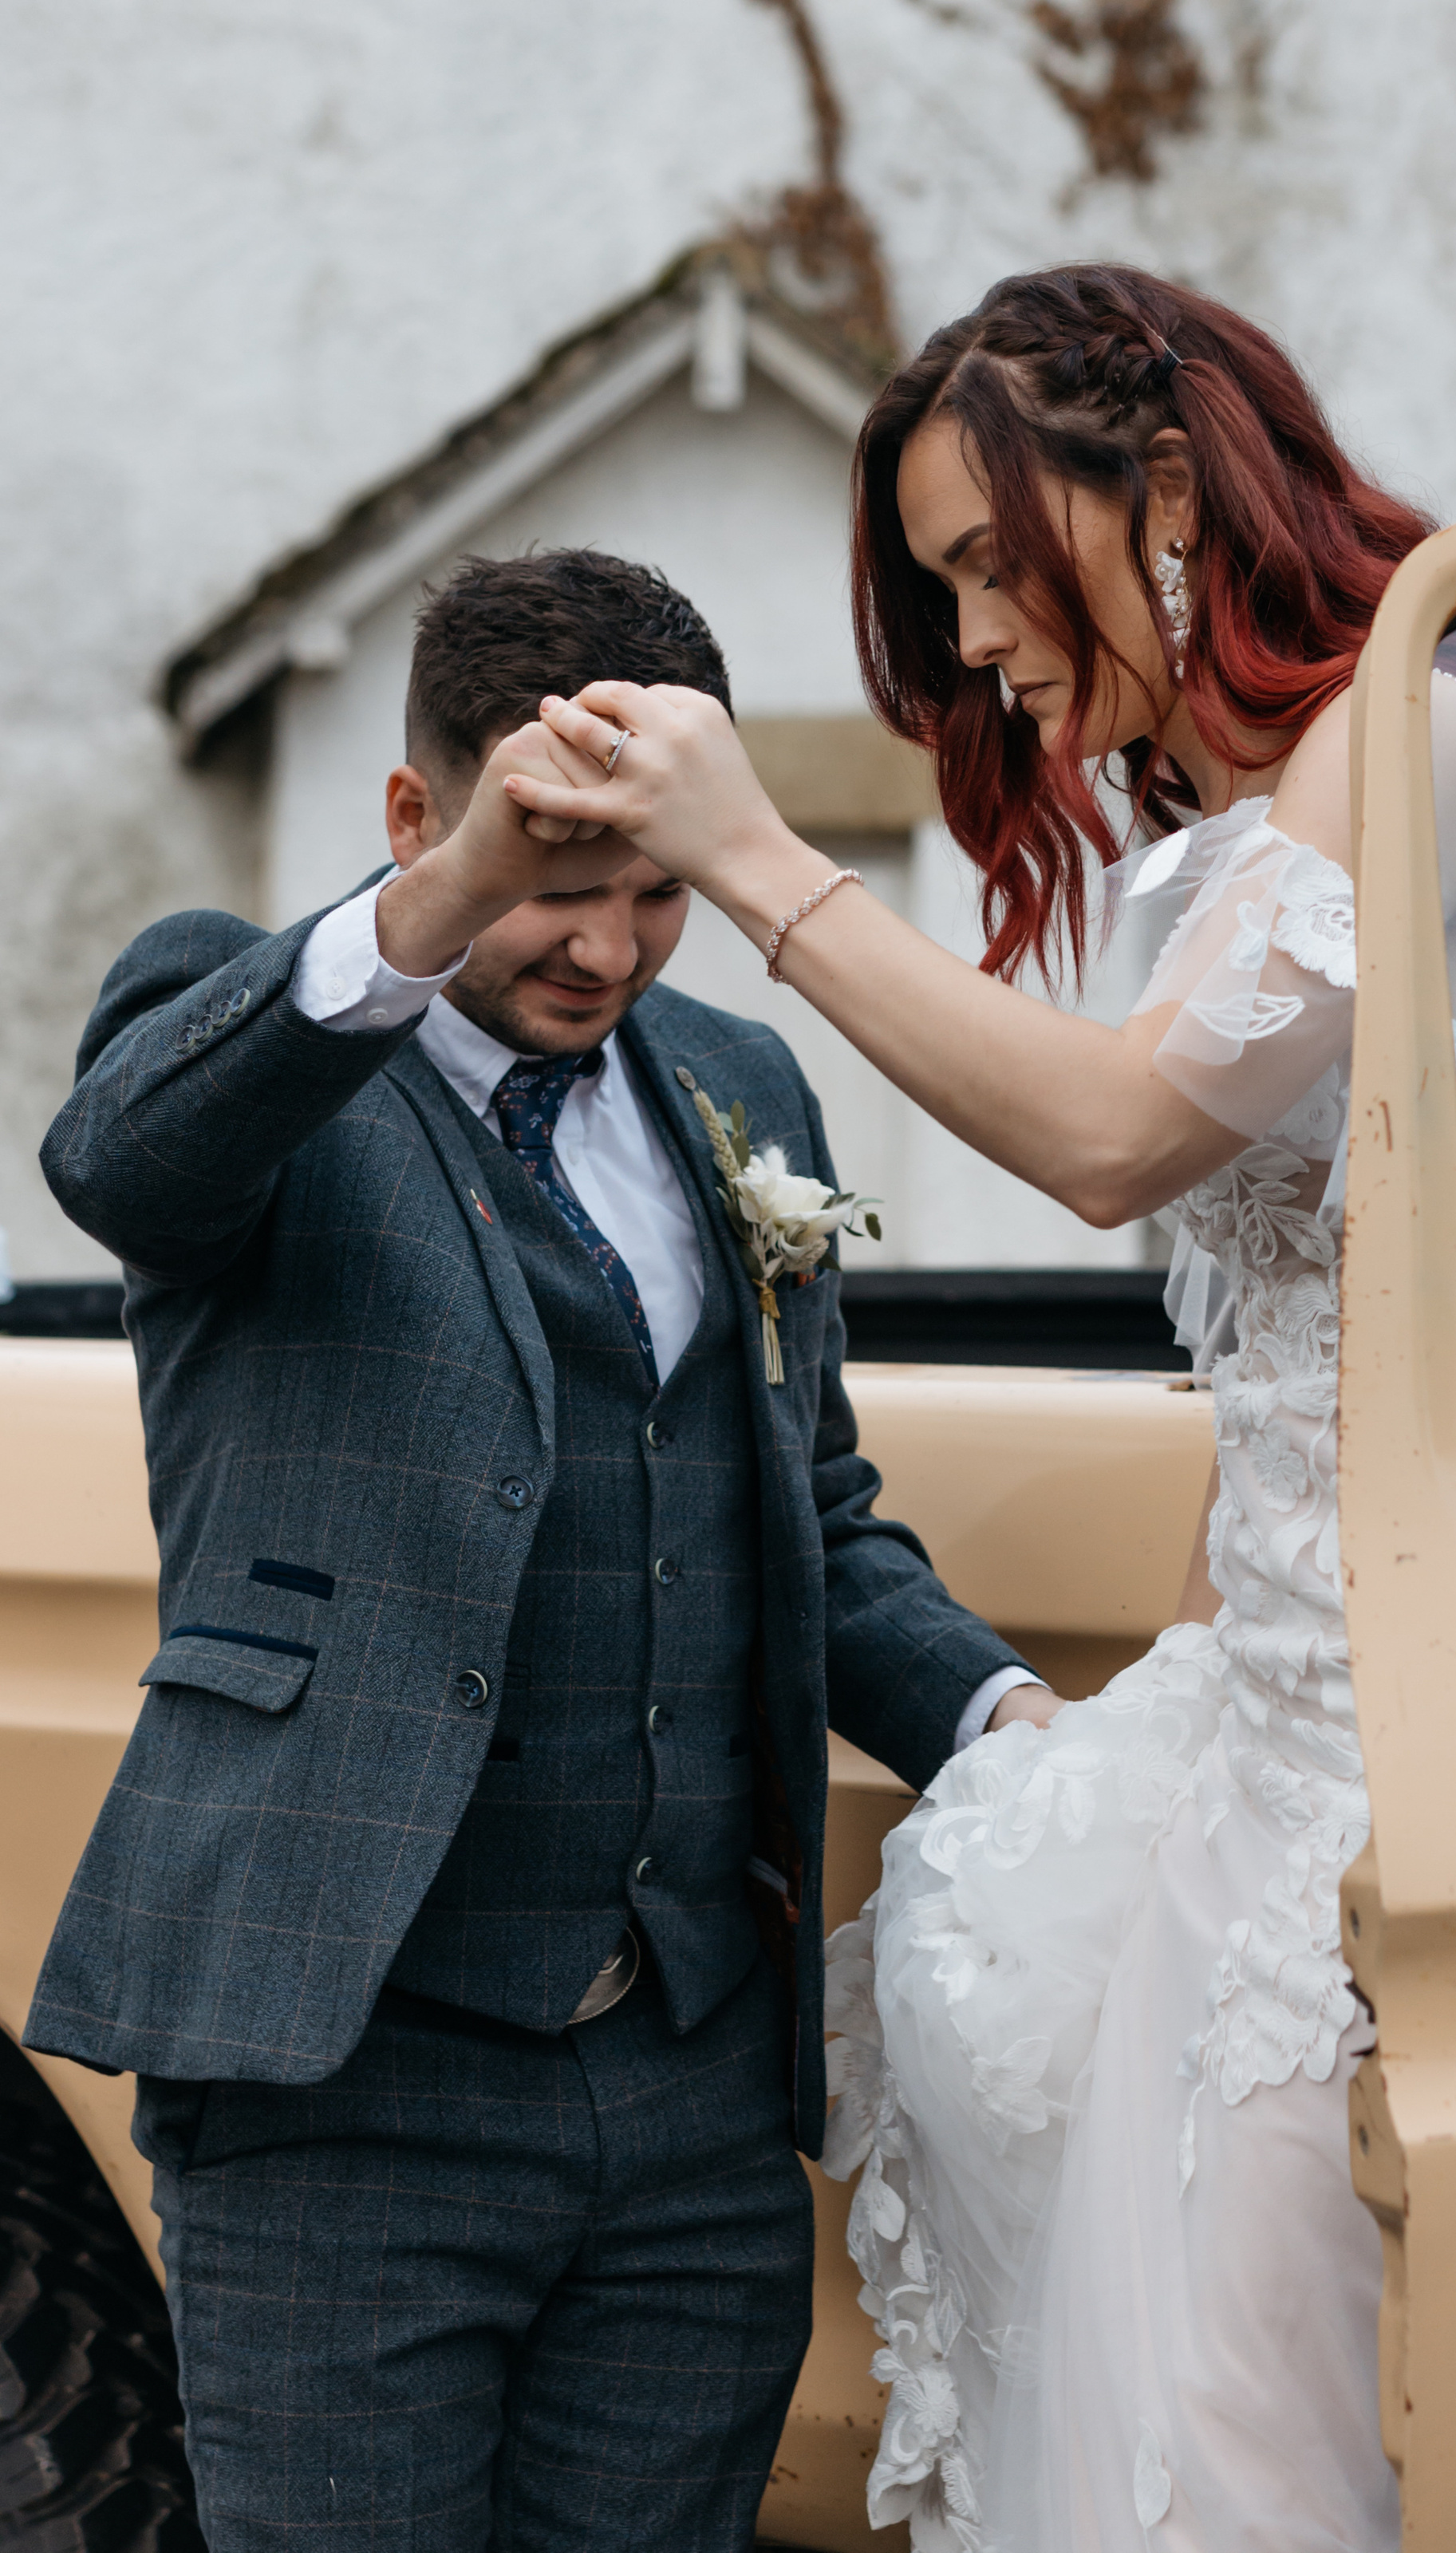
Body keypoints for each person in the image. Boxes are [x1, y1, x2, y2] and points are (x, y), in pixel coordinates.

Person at [510, 267, 1456, 2550]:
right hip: (1276, 1726)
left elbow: (1123, 1135)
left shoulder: (1410, 737)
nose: (968, 643)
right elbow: (1301, 1347)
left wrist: (758, 860)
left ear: (1163, 492)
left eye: (979, 565)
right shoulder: (1268, 807)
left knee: (1238, 2437)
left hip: (1437, 1733)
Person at [25, 547, 1061, 2553]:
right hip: (345, 2081)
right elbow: (121, 1162)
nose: (604, 947)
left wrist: (1013, 1725)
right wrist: (439, 903)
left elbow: (806, 1517)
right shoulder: (248, 1015)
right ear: (416, 811)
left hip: (690, 2100)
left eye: (655, 889)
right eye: (551, 879)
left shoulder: (742, 1084)